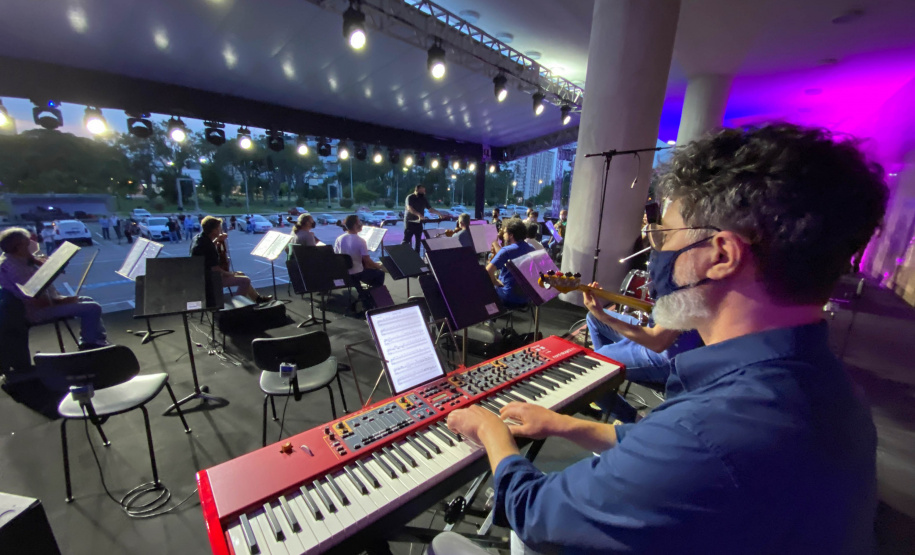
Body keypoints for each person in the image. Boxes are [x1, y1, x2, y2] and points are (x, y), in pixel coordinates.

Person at [441, 124, 887, 554]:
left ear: (721, 255)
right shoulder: (832, 385)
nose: (657, 252)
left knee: (447, 545)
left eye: (665, 235)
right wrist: (564, 424)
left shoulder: (709, 431)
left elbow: (534, 512)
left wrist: (491, 430)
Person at [0, 227, 108, 349]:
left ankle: (95, 338)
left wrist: (42, 263)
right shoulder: (16, 269)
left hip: (46, 302)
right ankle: (90, 342)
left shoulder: (14, 258)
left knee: (87, 300)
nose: (31, 247)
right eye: (27, 244)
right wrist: (62, 301)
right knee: (92, 308)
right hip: (36, 311)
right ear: (18, 247)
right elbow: (37, 301)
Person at [191, 216, 272, 304]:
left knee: (241, 274)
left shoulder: (199, 239)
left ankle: (258, 299)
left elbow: (207, 250)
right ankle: (237, 305)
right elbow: (215, 269)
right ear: (214, 230)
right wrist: (230, 273)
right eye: (219, 228)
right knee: (245, 280)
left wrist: (217, 239)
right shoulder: (207, 246)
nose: (221, 230)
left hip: (199, 277)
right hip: (209, 280)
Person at [485, 218, 533, 307]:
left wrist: (495, 282)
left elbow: (487, 272)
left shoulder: (507, 251)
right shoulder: (531, 248)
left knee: (480, 288)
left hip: (508, 297)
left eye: (505, 232)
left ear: (511, 235)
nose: (503, 235)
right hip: (526, 296)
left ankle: (490, 318)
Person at [334, 215, 386, 288]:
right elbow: (367, 260)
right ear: (355, 225)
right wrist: (377, 266)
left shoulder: (339, 239)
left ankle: (361, 291)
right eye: (359, 222)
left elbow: (336, 255)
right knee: (380, 274)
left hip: (344, 272)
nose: (361, 224)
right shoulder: (360, 241)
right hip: (357, 273)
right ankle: (372, 294)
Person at [403, 185, 449, 252]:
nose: (424, 192)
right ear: (417, 190)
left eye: (424, 191)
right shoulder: (410, 197)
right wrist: (419, 215)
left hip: (419, 223)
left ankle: (417, 258)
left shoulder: (423, 199)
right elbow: (409, 208)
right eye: (422, 191)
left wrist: (440, 214)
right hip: (410, 222)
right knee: (406, 241)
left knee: (418, 242)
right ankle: (403, 256)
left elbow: (430, 209)